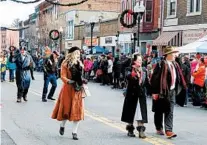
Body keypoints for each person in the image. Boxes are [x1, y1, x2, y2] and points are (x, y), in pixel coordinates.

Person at [51, 46, 87, 140]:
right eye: (77, 53)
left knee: (77, 111)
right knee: (66, 110)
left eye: (79, 53)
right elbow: (62, 76)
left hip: (78, 89)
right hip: (68, 89)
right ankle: (62, 125)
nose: (79, 55)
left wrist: (83, 80)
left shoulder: (80, 63)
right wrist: (69, 81)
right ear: (72, 54)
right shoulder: (65, 63)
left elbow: (80, 76)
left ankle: (74, 132)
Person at [150, 46, 187, 139]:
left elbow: (182, 72)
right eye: (173, 53)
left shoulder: (176, 64)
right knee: (159, 110)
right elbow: (154, 79)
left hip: (172, 91)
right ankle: (159, 127)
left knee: (170, 111)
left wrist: (177, 57)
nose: (175, 55)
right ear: (168, 55)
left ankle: (169, 130)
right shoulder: (160, 64)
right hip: (162, 91)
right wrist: (155, 92)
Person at [121, 53, 148, 138]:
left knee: (141, 112)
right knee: (131, 111)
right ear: (134, 61)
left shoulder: (144, 70)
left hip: (141, 94)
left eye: (141, 60)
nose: (140, 61)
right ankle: (130, 129)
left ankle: (141, 130)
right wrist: (135, 72)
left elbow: (145, 82)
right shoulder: (129, 69)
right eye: (138, 60)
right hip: (132, 93)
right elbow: (128, 77)